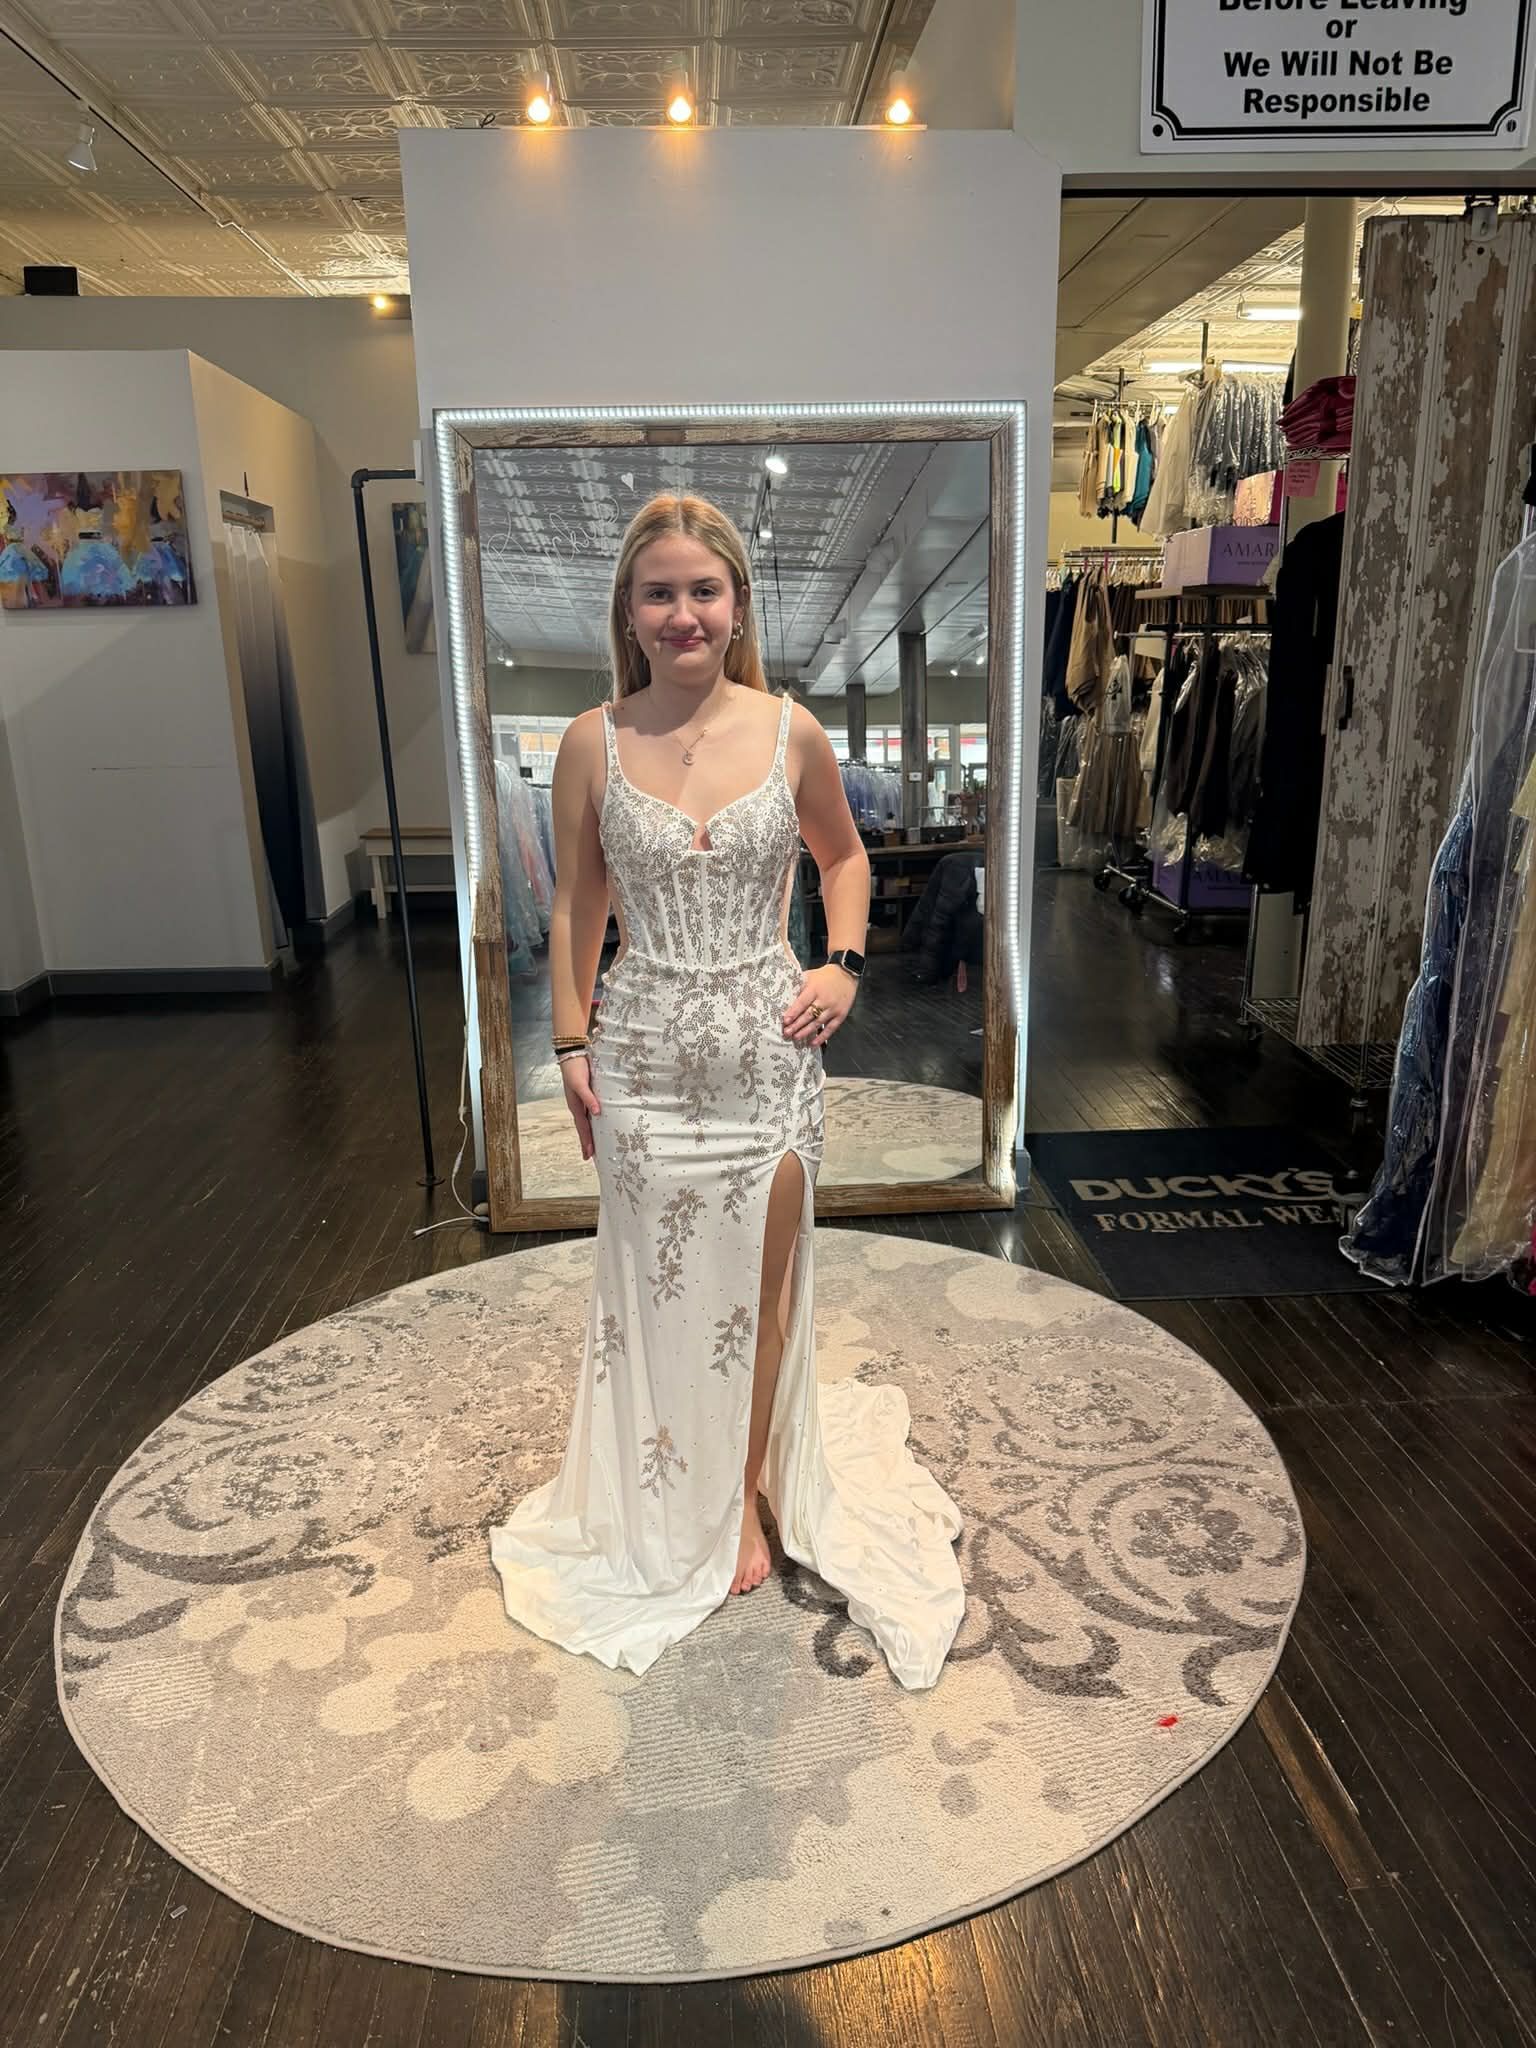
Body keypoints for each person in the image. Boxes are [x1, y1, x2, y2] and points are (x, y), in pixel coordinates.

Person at [487, 492, 966, 1690]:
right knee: (656, 1291)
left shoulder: (792, 727)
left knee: (759, 1291)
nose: (684, 611)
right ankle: (664, 1481)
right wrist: (570, 1045)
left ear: (738, 604)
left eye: (705, 589)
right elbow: (575, 904)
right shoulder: (594, 740)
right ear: (631, 613)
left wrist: (845, 967)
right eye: (661, 591)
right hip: (644, 1055)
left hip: (768, 1057)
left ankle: (744, 1497)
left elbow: (844, 856)